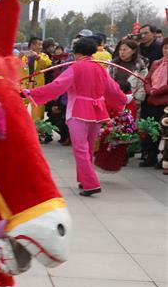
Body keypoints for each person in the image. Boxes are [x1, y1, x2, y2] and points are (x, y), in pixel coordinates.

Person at [26, 36, 127, 196]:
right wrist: (124, 99)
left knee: (80, 149)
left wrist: (31, 93)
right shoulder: (100, 68)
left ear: (77, 53)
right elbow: (112, 89)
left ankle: (90, 184)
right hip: (97, 112)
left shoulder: (75, 67)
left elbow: (58, 86)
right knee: (88, 147)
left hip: (78, 111)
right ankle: (83, 180)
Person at [140, 38, 168, 167]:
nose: (166, 50)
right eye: (165, 48)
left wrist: (155, 91)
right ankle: (151, 155)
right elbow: (147, 79)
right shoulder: (156, 63)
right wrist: (150, 90)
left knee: (165, 131)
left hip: (165, 102)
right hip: (152, 100)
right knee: (152, 128)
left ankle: (164, 159)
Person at [111, 38, 148, 113]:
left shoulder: (140, 67)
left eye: (125, 50)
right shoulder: (113, 65)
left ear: (133, 51)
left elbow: (142, 85)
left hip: (131, 100)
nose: (122, 52)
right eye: (120, 50)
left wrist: (138, 100)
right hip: (114, 98)